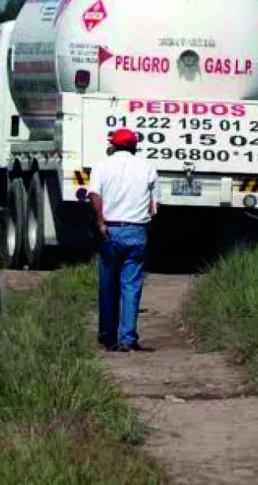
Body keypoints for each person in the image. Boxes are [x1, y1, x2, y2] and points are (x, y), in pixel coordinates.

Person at [87, 127, 157, 352]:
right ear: (135, 146)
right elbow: (154, 208)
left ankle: (108, 336)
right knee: (131, 286)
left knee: (108, 285)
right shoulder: (147, 168)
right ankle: (128, 338)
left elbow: (94, 194)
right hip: (137, 231)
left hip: (110, 230)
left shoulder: (102, 166)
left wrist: (100, 221)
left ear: (113, 145)